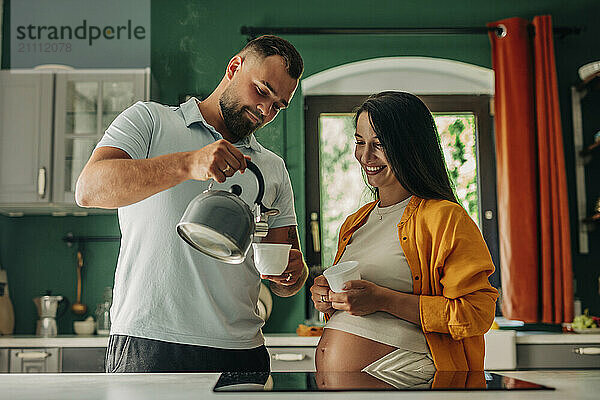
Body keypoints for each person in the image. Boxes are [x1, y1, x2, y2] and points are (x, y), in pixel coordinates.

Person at [76, 35, 308, 373]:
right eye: (261, 90)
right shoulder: (150, 122)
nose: (265, 110)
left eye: (278, 105)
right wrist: (186, 164)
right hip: (149, 342)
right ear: (234, 67)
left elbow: (288, 263)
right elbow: (89, 189)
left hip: (241, 350)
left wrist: (292, 276)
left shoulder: (272, 167)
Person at [310, 92, 498, 380]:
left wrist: (383, 299)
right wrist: (329, 298)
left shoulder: (445, 217)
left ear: (410, 147)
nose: (365, 156)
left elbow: (476, 313)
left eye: (380, 145)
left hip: (406, 379)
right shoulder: (354, 223)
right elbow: (356, 310)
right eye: (360, 142)